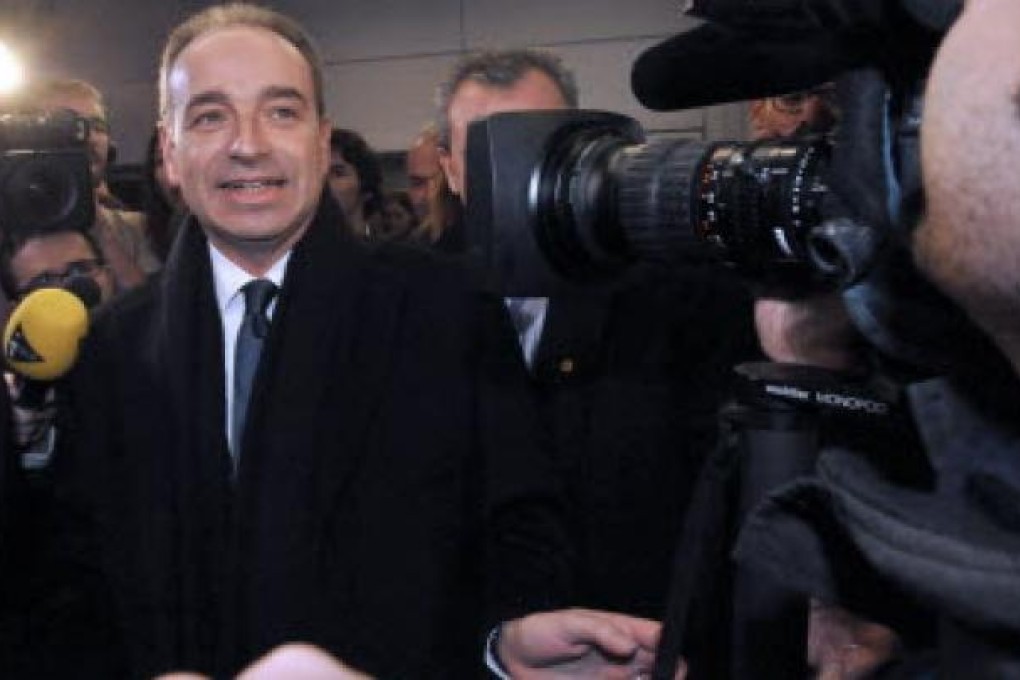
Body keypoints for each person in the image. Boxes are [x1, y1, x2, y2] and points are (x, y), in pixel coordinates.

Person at [0, 5, 661, 678]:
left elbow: (520, 529)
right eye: (210, 116)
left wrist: (504, 643)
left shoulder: (448, 307)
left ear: (322, 140)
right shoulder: (114, 348)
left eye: (280, 112)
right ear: (169, 153)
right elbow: (75, 586)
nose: (248, 144)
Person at [436, 48, 760, 621]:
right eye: (489, 154)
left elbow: (730, 499)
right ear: (450, 170)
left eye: (536, 147)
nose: (517, 174)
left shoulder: (680, 297)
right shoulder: (412, 302)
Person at [17, 78, 161, 288]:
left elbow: (155, 313)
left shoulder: (139, 229)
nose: (88, 138)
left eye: (97, 126)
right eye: (67, 124)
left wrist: (103, 233)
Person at [405, 124, 465, 252]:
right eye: (416, 183)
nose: (427, 195)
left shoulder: (486, 252)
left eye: (440, 181)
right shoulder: (405, 253)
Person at [326, 128, 383, 238]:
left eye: (338, 173)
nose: (324, 184)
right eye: (317, 174)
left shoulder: (390, 253)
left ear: (365, 186)